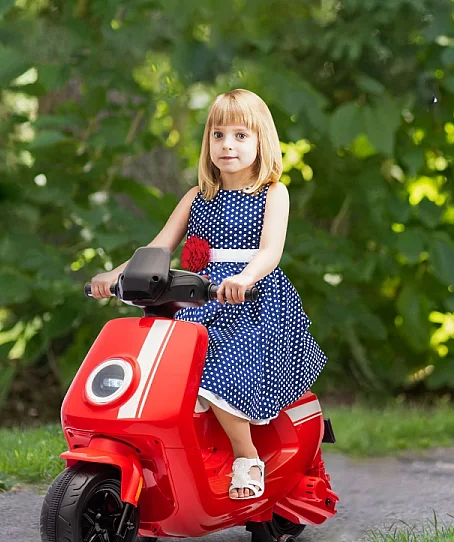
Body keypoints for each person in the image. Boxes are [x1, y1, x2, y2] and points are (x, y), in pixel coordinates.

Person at [89, 89, 327, 500]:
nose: (227, 145)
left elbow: (270, 252)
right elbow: (159, 246)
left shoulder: (272, 192)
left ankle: (246, 457)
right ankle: (181, 453)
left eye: (240, 135)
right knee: (169, 364)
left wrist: (246, 277)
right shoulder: (198, 197)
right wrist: (115, 274)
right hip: (202, 300)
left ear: (261, 141)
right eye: (218, 135)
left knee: (220, 370)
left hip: (255, 303)